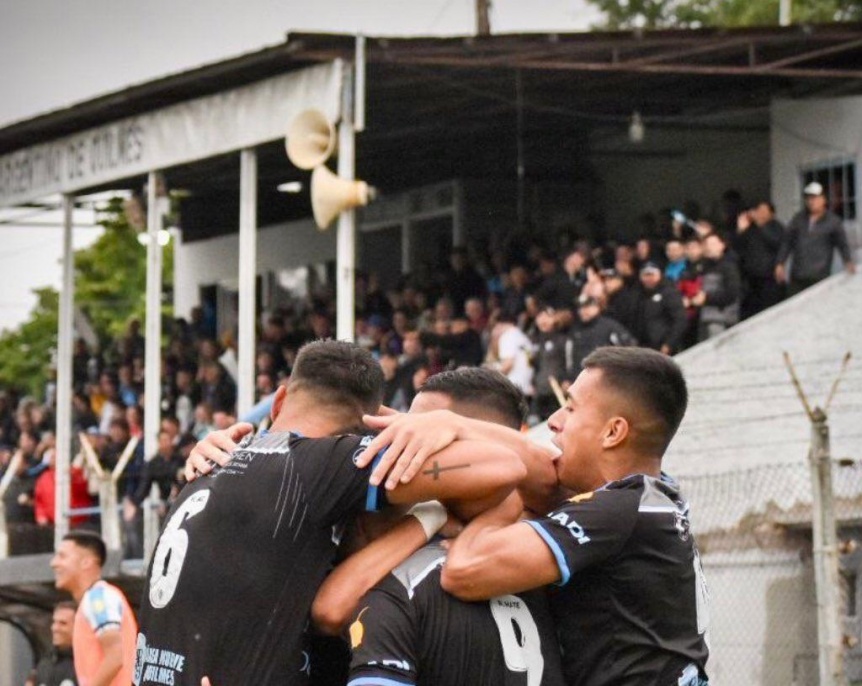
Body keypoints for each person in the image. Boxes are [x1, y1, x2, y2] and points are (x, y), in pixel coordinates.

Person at [134, 340, 526, 686]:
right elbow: (505, 466)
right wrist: (432, 509)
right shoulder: (318, 465)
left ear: (279, 401)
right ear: (365, 432)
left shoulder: (212, 463)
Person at [362, 347, 710, 686]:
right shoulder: (655, 497)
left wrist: (490, 507)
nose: (555, 421)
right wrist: (449, 424)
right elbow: (544, 479)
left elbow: (465, 571)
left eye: (570, 409)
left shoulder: (619, 510)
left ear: (613, 432)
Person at [312, 368, 564, 686]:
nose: (403, 440)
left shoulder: (548, 524)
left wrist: (429, 518)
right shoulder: (541, 530)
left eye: (422, 430)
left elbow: (330, 611)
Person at [50, 531, 138, 686]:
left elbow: (116, 655)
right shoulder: (93, 599)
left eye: (62, 556)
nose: (54, 563)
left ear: (86, 562)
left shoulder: (98, 598)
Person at [775, 181, 856, 296]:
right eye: (808, 198)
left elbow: (842, 244)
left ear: (824, 199)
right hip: (798, 276)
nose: (811, 201)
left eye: (815, 198)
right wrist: (780, 263)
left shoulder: (833, 221)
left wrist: (848, 261)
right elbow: (787, 241)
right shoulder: (798, 219)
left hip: (819, 276)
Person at [733, 200, 784, 318]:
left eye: (763, 211)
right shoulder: (750, 228)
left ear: (771, 214)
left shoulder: (776, 227)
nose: (759, 214)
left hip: (769, 279)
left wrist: (760, 224)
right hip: (750, 280)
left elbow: (775, 242)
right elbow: (737, 247)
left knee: (768, 312)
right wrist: (740, 230)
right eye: (758, 211)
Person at [25, 601, 79, 686]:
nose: (55, 628)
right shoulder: (45, 664)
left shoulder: (85, 662)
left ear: (78, 627)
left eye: (63, 623)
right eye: (54, 622)